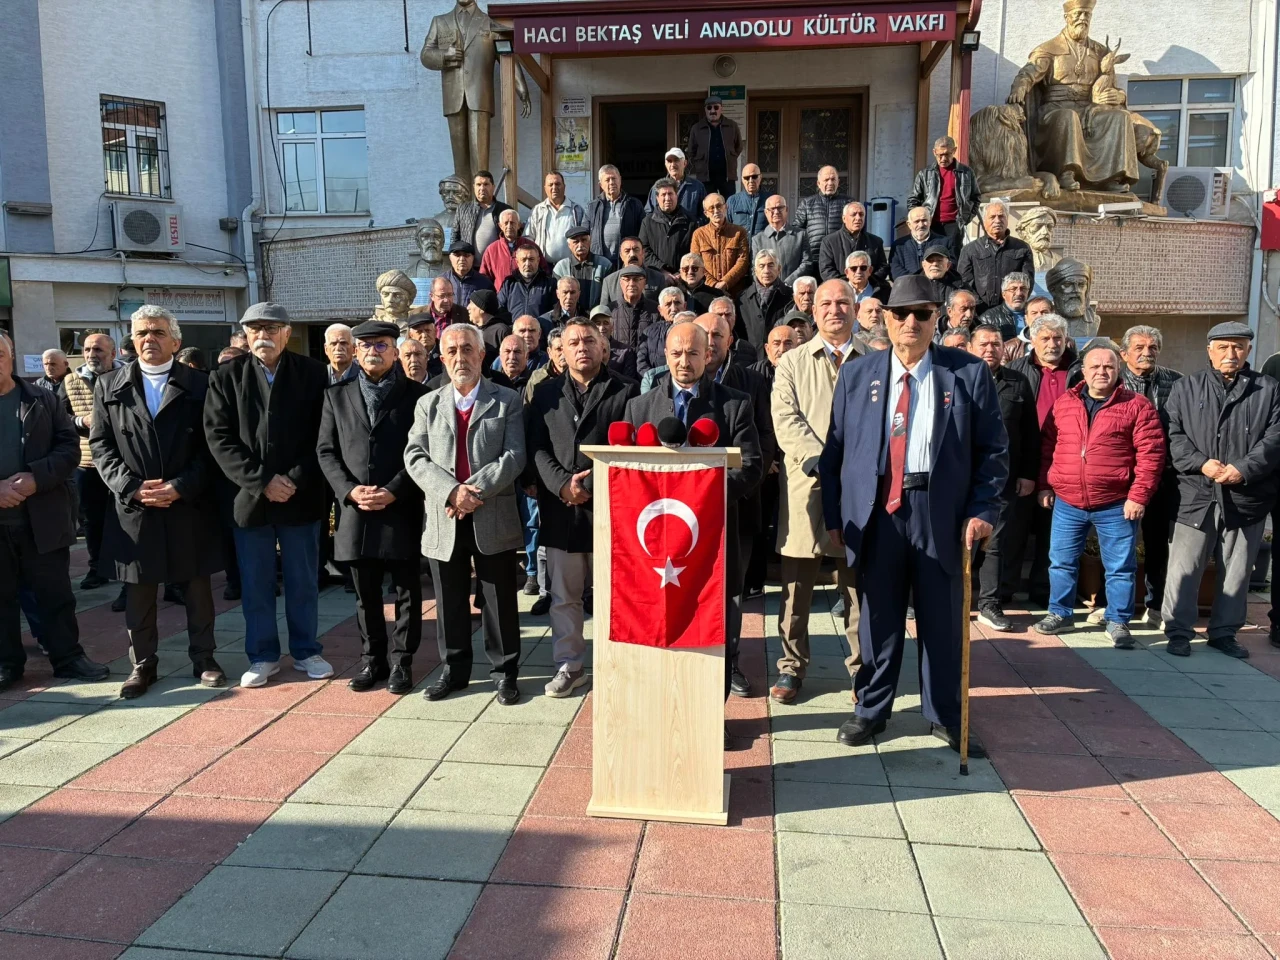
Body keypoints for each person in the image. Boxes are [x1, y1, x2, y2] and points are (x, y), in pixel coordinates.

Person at [819, 274, 1006, 754]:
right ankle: (871, 709)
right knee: (876, 619)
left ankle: (945, 714)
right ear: (885, 318)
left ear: (936, 318)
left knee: (941, 621)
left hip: (938, 512)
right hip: (877, 512)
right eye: (901, 314)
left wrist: (983, 509)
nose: (911, 323)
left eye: (922, 314)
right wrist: (836, 515)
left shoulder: (967, 373)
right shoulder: (858, 376)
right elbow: (836, 450)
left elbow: (993, 451)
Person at [623, 321, 762, 707]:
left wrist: (703, 501)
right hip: (656, 548)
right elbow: (629, 474)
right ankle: (661, 712)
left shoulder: (734, 404)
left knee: (714, 629)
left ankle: (710, 720)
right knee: (661, 628)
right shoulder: (640, 407)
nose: (685, 361)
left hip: (713, 540)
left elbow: (750, 466)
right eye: (677, 353)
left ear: (708, 355)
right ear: (665, 355)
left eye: (693, 353)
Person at [90, 305, 225, 697]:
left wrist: (182, 486)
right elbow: (101, 445)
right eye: (142, 333)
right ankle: (142, 665)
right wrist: (130, 486)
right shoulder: (109, 384)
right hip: (136, 505)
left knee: (197, 588)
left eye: (158, 332)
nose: (150, 339)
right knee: (139, 590)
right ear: (131, 341)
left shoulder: (201, 384)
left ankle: (204, 658)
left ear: (176, 341)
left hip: (187, 503)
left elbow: (212, 446)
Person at [204, 302, 333, 687]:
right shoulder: (227, 375)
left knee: (302, 580)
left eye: (271, 327)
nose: (263, 335)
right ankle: (262, 655)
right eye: (254, 328)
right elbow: (218, 437)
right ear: (245, 334)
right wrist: (261, 481)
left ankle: (307, 650)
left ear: (286, 332)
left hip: (301, 493)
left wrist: (291, 479)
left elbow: (324, 433)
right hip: (250, 498)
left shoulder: (313, 373)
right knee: (256, 582)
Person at [405, 323, 526, 705]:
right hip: (445, 515)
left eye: (467, 349)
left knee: (498, 600)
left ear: (481, 355)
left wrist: (474, 490)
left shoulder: (507, 400)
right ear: (442, 358)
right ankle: (454, 672)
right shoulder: (428, 403)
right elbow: (415, 456)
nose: (461, 357)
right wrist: (452, 491)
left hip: (492, 513)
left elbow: (514, 455)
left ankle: (505, 673)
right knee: (450, 600)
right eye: (452, 350)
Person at [527, 318, 638, 696]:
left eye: (589, 340)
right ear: (560, 350)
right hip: (561, 511)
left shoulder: (627, 390)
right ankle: (570, 665)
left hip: (611, 512)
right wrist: (561, 484)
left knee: (615, 597)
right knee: (564, 597)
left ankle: (616, 664)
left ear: (602, 346)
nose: (581, 347)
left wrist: (589, 483)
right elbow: (536, 449)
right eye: (573, 342)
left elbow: (633, 449)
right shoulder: (544, 394)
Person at [317, 320, 429, 693]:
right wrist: (349, 491)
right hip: (356, 509)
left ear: (395, 351)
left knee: (407, 591)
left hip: (400, 505)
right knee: (365, 593)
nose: (372, 351)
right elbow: (326, 451)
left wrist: (396, 488)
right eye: (364, 345)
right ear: (355, 352)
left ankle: (402, 661)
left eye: (381, 345)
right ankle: (372, 659)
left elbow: (425, 452)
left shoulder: (417, 395)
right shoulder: (336, 395)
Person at [769, 279, 865, 704]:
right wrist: (823, 461)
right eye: (825, 302)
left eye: (843, 302)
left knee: (858, 588)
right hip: (807, 487)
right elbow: (785, 419)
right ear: (813, 310)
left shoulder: (876, 360)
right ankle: (791, 668)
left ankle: (863, 672)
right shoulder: (791, 363)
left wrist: (857, 468)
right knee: (796, 591)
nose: (834, 309)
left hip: (860, 491)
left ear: (856, 307)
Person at [1162, 322, 1280, 659]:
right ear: (1210, 350)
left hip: (1247, 495)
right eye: (1224, 347)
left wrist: (1242, 469)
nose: (1231, 353)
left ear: (1248, 351)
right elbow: (1174, 435)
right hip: (1196, 493)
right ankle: (1178, 631)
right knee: (1184, 567)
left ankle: (1224, 632)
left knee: (1238, 570)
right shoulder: (1187, 387)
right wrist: (1202, 463)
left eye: (1238, 347)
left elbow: (1275, 440)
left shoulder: (1268, 389)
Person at [1034, 341, 1164, 645]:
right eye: (1095, 366)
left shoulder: (1137, 405)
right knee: (1061, 561)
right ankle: (1060, 613)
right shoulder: (1065, 403)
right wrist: (1044, 485)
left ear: (1118, 369)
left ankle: (1118, 621)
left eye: (1108, 366)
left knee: (1120, 568)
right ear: (1084, 370)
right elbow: (1047, 448)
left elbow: (1151, 455)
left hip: (1116, 503)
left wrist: (1139, 496)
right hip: (1068, 501)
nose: (1101, 372)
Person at [0, 333, 110, 691]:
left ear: (11, 356)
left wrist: (37, 477)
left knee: (56, 595)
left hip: (41, 519)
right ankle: (6, 663)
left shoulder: (42, 399)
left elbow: (69, 449)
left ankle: (68, 657)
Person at [694, 309, 776, 697]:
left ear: (731, 341)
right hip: (685, 520)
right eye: (703, 334)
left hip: (736, 510)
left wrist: (718, 494)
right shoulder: (671, 385)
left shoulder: (753, 384)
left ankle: (730, 664)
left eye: (718, 335)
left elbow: (763, 446)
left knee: (730, 596)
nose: (710, 342)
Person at [968, 324, 1039, 631]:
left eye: (996, 344)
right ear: (971, 347)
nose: (990, 349)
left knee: (995, 542)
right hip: (960, 477)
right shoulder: (956, 378)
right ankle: (951, 600)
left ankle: (989, 604)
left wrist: (1027, 474)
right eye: (983, 344)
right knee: (957, 541)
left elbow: (1031, 434)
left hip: (1002, 478)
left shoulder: (1018, 383)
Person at [1006, 314, 1080, 605]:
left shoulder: (1079, 371)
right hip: (1024, 460)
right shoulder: (1016, 370)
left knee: (1053, 535)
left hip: (1064, 461)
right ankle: (1004, 591)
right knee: (1014, 532)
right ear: (1033, 341)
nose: (1053, 344)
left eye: (1058, 338)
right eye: (1046, 338)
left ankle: (1044, 592)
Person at [1118, 325, 1182, 624]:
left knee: (1158, 544)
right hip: (1121, 475)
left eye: (1153, 347)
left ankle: (1155, 605)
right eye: (1140, 347)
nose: (1147, 353)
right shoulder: (1113, 381)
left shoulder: (1177, 382)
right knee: (1120, 544)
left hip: (1163, 476)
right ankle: (1117, 605)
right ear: (1125, 353)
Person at [59, 333, 121, 593]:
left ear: (113, 353)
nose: (91, 354)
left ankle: (130, 573)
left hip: (122, 462)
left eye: (98, 349)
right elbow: (61, 418)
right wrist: (79, 422)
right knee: (92, 521)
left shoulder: (128, 375)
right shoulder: (71, 380)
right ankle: (97, 569)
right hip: (88, 463)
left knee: (124, 519)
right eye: (86, 350)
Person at [907, 135, 981, 257]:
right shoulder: (924, 174)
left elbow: (976, 198)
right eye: (939, 155)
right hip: (931, 224)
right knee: (930, 256)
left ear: (954, 151)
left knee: (953, 258)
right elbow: (913, 200)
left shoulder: (966, 173)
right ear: (934, 152)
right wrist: (918, 220)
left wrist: (966, 218)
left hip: (955, 224)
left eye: (947, 154)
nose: (943, 158)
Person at [957, 200, 1035, 314]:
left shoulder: (1022, 248)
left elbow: (1028, 282)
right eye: (992, 217)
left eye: (1001, 216)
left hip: (1010, 311)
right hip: (979, 312)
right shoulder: (970, 250)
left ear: (1007, 220)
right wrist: (978, 306)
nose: (997, 220)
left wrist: (1011, 304)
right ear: (984, 221)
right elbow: (964, 283)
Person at [794, 166, 850, 278]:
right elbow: (797, 232)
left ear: (838, 182)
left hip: (839, 260)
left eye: (833, 179)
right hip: (813, 260)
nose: (830, 183)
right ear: (818, 183)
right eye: (826, 180)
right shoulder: (806, 203)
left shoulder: (848, 203)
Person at [691, 193, 750, 296]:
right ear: (706, 213)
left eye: (719, 206)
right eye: (711, 208)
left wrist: (725, 282)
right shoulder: (699, 234)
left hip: (734, 292)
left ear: (725, 207)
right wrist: (714, 285)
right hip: (707, 292)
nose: (716, 211)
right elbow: (695, 263)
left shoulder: (739, 232)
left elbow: (743, 261)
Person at [586, 164, 645, 266]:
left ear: (620, 180)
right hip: (600, 262)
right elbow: (585, 234)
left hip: (626, 261)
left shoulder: (634, 204)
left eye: (614, 178)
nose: (611, 182)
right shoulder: (592, 207)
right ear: (600, 185)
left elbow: (643, 234)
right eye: (607, 180)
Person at [686, 95, 743, 197]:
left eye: (716, 107)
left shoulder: (732, 126)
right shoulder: (697, 128)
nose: (712, 111)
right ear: (705, 110)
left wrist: (731, 157)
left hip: (727, 176)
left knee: (729, 205)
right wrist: (700, 163)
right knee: (708, 206)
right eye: (709, 108)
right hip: (706, 177)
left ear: (721, 108)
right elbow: (691, 151)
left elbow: (738, 147)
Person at [819, 201, 888, 286]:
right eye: (854, 214)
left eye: (861, 214)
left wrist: (866, 282)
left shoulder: (876, 241)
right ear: (844, 218)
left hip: (869, 289)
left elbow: (883, 267)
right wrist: (846, 285)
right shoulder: (829, 241)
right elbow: (826, 269)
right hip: (839, 290)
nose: (858, 218)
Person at [526, 170, 586, 265]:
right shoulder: (537, 211)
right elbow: (528, 238)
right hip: (543, 266)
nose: (554, 188)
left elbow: (584, 238)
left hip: (569, 266)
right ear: (545, 188)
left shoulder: (576, 210)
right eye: (551, 185)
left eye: (558, 184)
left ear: (564, 187)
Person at [639, 178, 695, 275]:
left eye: (670, 194)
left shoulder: (691, 221)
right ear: (657, 198)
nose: (667, 198)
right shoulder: (647, 222)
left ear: (676, 196)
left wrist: (681, 272)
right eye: (663, 195)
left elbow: (694, 250)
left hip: (684, 277)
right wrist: (662, 270)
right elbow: (644, 250)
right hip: (656, 277)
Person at [752, 194, 811, 286]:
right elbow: (754, 268)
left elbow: (806, 263)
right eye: (772, 209)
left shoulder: (801, 235)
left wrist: (787, 283)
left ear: (786, 210)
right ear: (766, 212)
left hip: (793, 290)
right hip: (767, 291)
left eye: (780, 208)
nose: (776, 212)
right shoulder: (757, 239)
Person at [598, 237, 669, 311]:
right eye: (627, 251)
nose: (632, 254)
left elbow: (663, 309)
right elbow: (604, 312)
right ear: (621, 255)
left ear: (643, 253)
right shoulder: (609, 281)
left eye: (636, 250)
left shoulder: (658, 278)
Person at [736, 251, 790, 348]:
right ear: (755, 271)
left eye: (770, 265)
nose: (766, 271)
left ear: (779, 269)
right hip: (752, 357)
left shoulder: (790, 296)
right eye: (762, 266)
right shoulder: (742, 299)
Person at [452, 169, 511, 257]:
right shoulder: (462, 209)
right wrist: (455, 256)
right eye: (478, 185)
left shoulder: (505, 210)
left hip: (495, 266)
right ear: (474, 187)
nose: (482, 188)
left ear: (493, 187)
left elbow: (512, 238)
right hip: (470, 266)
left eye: (486, 184)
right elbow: (455, 236)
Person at [554, 225, 611, 310]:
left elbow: (607, 296)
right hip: (570, 317)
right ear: (569, 245)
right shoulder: (560, 267)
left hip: (596, 316)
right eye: (576, 242)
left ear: (589, 241)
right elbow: (557, 298)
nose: (580, 245)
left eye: (584, 240)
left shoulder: (604, 265)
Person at [609, 265, 661, 358]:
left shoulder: (655, 310)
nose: (631, 283)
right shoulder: (610, 310)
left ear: (645, 282)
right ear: (621, 283)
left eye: (637, 279)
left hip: (646, 366)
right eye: (627, 279)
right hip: (617, 366)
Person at [498, 241, 556, 323]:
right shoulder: (509, 283)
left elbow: (555, 313)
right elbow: (500, 309)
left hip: (541, 332)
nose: (527, 264)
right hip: (514, 332)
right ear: (517, 262)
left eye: (531, 259)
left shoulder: (549, 284)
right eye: (524, 260)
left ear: (538, 261)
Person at [645, 148, 707, 223]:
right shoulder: (657, 187)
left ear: (685, 163)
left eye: (676, 160)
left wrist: (694, 227)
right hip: (664, 233)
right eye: (669, 161)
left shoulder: (697, 187)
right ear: (665, 164)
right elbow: (649, 213)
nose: (672, 165)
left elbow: (705, 213)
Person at [480, 210, 533, 290]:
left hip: (526, 296)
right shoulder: (491, 250)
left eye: (512, 223)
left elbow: (542, 272)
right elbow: (484, 278)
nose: (509, 226)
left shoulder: (531, 247)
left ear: (519, 225)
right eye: (506, 223)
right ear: (500, 226)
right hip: (500, 298)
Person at [889, 206, 945, 279]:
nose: (921, 225)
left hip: (937, 287)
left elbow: (950, 267)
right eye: (917, 221)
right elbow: (895, 271)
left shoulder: (945, 243)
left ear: (930, 221)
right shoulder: (898, 246)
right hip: (908, 287)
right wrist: (917, 281)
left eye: (924, 220)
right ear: (909, 224)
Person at [978, 272, 1033, 342]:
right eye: (1013, 289)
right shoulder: (988, 318)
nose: (1019, 293)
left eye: (1023, 289)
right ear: (1004, 294)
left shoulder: (1037, 313)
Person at [445, 240, 495, 308]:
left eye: (466, 255)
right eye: (457, 255)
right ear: (450, 257)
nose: (462, 259)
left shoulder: (484, 283)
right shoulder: (442, 281)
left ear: (473, 258)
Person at [466, 289, 511, 362]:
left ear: (481, 309)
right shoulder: (472, 331)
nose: (468, 307)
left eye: (471, 303)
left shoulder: (501, 331)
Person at [727, 163, 771, 236]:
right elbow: (726, 228)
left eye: (754, 176)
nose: (751, 181)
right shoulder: (732, 201)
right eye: (747, 178)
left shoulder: (769, 200)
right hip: (739, 246)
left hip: (762, 246)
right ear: (742, 179)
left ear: (760, 177)